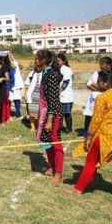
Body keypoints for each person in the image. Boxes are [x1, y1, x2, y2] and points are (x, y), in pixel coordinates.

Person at [65, 72, 112, 208]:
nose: (97, 83)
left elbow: (96, 120)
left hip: (107, 136)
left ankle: (77, 190)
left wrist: (89, 136)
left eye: (99, 81)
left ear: (106, 83)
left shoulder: (103, 97)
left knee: (91, 163)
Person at [35, 50, 64, 184]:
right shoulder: (45, 73)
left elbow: (53, 99)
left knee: (55, 142)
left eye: (37, 59)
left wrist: (49, 120)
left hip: (53, 113)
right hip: (45, 112)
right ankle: (52, 167)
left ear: (43, 60)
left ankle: (58, 173)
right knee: (47, 142)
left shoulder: (52, 75)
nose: (35, 61)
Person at [83, 57, 112, 138]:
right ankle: (86, 134)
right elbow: (89, 84)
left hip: (105, 99)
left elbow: (111, 88)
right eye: (100, 64)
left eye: (102, 64)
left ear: (108, 65)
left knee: (101, 117)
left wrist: (98, 87)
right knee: (89, 117)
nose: (100, 66)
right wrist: (99, 88)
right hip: (93, 99)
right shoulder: (96, 74)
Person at [56, 53, 74, 134]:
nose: (58, 62)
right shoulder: (58, 69)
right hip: (60, 95)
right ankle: (59, 128)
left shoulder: (66, 69)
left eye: (59, 60)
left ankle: (69, 129)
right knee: (59, 114)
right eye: (57, 61)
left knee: (66, 114)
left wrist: (58, 92)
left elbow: (65, 83)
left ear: (63, 61)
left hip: (66, 96)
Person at [24, 62, 42, 132]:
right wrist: (25, 94)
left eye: (39, 66)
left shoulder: (44, 73)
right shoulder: (31, 73)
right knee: (31, 113)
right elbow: (26, 84)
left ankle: (38, 125)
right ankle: (32, 126)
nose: (38, 67)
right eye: (36, 66)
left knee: (40, 112)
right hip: (31, 95)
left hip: (41, 96)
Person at [8, 53, 24, 120]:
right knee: (10, 99)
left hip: (16, 85)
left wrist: (10, 55)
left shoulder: (14, 64)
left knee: (16, 99)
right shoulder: (9, 65)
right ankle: (9, 114)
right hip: (12, 85)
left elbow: (13, 63)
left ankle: (18, 114)